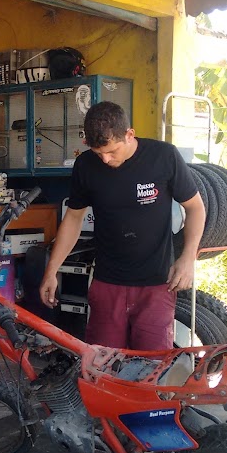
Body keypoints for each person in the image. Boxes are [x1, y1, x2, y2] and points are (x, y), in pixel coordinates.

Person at [40, 101, 205, 351]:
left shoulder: (164, 157)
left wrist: (188, 258)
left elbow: (195, 208)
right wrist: (51, 270)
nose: (106, 159)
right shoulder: (85, 165)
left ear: (129, 134)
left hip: (156, 284)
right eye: (99, 153)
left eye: (112, 151)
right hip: (107, 284)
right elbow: (73, 218)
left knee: (151, 365)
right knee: (102, 362)